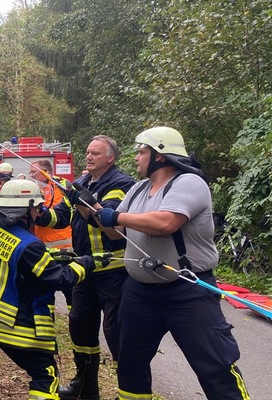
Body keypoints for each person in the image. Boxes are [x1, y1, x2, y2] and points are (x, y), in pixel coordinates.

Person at [95, 127, 250, 400]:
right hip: (139, 292)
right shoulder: (138, 189)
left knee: (215, 366)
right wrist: (87, 206)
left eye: (141, 152)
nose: (136, 158)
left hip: (187, 292)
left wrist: (116, 217)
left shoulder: (188, 183)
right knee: (130, 364)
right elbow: (112, 231)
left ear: (160, 155)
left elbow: (165, 222)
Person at [0, 179, 111, 400]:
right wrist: (88, 263)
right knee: (45, 375)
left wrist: (52, 257)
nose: (39, 214)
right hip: (8, 322)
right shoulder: (29, 244)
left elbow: (12, 258)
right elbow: (60, 279)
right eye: (37, 208)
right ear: (26, 210)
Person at [35, 135, 135, 400]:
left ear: (111, 158)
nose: (89, 157)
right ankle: (86, 387)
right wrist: (38, 214)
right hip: (84, 271)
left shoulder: (122, 183)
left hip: (115, 272)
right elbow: (61, 217)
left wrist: (81, 198)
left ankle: (128, 390)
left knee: (117, 335)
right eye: (88, 152)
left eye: (96, 153)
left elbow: (108, 220)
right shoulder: (79, 184)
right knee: (80, 328)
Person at [29, 159, 73, 250]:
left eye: (34, 172)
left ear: (45, 172)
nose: (32, 175)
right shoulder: (36, 188)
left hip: (60, 242)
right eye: (30, 172)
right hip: (41, 240)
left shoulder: (59, 187)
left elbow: (58, 213)